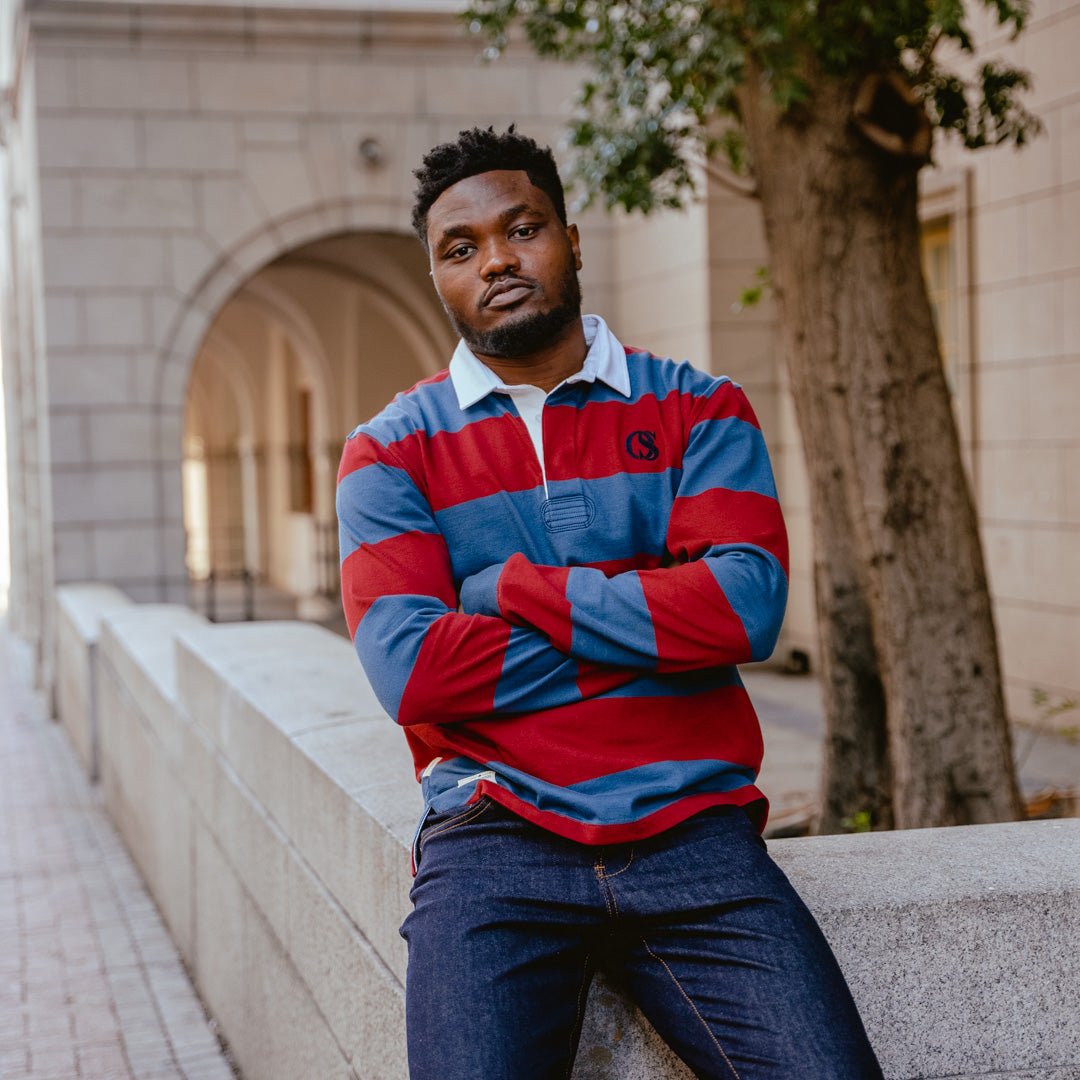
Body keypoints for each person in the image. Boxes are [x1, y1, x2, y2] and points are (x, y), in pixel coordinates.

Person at [336, 126, 883, 1080]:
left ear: (573, 239)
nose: (497, 260)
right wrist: (661, 628)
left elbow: (746, 609)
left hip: (694, 831)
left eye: (523, 228)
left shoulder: (700, 407)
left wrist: (513, 590)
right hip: (493, 839)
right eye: (460, 250)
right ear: (438, 277)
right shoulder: (390, 451)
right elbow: (413, 671)